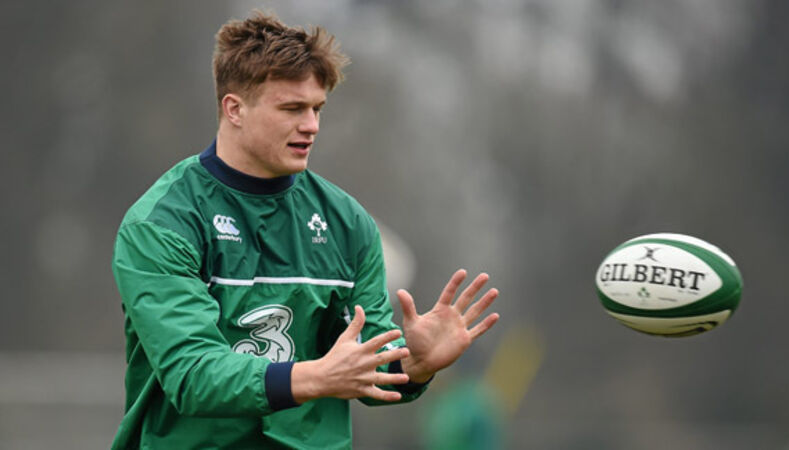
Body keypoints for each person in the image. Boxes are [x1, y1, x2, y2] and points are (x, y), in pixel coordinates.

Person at [111, 11, 499, 449]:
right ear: (234, 109)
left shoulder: (348, 224)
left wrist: (415, 365)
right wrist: (315, 376)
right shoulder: (162, 223)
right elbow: (192, 374)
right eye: (292, 108)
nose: (311, 125)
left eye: (317, 108)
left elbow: (366, 360)